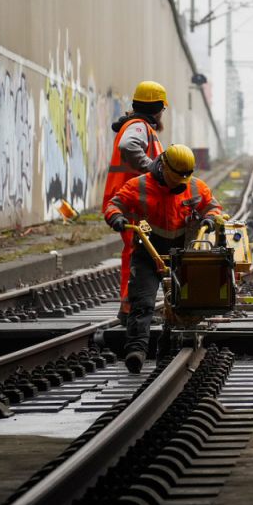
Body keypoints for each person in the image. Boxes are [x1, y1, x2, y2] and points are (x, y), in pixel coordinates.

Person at [105, 144, 222, 374]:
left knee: (181, 306)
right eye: (179, 177)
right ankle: (136, 350)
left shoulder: (195, 187)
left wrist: (210, 218)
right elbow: (114, 204)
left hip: (182, 255)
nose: (182, 182)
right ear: (164, 167)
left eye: (186, 177)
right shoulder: (139, 185)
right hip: (148, 253)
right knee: (143, 302)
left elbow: (213, 207)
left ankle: (167, 351)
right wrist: (116, 218)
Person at [101, 81, 168, 321]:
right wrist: (152, 168)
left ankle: (132, 306)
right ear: (159, 107)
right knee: (138, 253)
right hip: (130, 201)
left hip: (133, 200)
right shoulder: (139, 127)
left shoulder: (141, 126)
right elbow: (128, 145)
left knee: (138, 252)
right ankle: (131, 309)